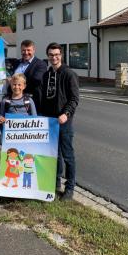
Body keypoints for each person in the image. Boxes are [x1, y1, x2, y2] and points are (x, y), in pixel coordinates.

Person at [37, 42, 79, 200]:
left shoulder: (69, 74)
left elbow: (74, 99)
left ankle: (70, 187)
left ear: (61, 55)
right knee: (54, 154)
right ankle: (55, 182)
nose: (54, 57)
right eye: (51, 55)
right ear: (47, 56)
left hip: (63, 121)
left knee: (67, 155)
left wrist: (66, 114)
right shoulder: (47, 75)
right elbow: (44, 98)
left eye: (56, 54)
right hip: (49, 121)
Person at [13, 40, 46, 104]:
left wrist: (15, 81)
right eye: (23, 50)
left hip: (31, 102)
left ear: (34, 50)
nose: (26, 52)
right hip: (15, 100)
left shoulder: (41, 64)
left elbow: (36, 80)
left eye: (28, 50)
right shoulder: (16, 63)